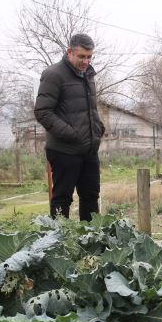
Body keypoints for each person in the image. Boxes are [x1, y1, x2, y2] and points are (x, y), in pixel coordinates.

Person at [34, 33, 106, 221]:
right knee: (62, 200)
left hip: (89, 149)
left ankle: (90, 242)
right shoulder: (54, 74)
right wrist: (71, 134)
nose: (86, 61)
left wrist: (98, 128)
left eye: (89, 56)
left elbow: (89, 108)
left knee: (91, 197)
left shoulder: (88, 75)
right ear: (69, 52)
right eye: (81, 56)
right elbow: (42, 111)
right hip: (64, 150)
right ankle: (59, 243)